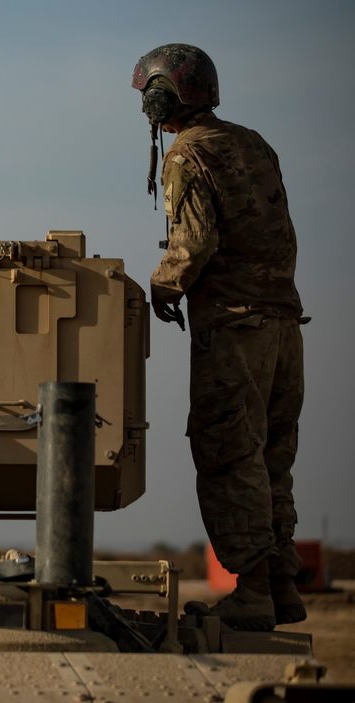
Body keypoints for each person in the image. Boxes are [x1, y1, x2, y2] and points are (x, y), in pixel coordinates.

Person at [132, 43, 306, 631]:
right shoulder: (254, 143)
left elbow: (195, 243)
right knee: (270, 457)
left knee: (228, 452)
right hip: (283, 323)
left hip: (235, 327)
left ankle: (253, 593)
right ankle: (280, 582)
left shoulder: (188, 153)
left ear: (163, 97)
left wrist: (164, 284)